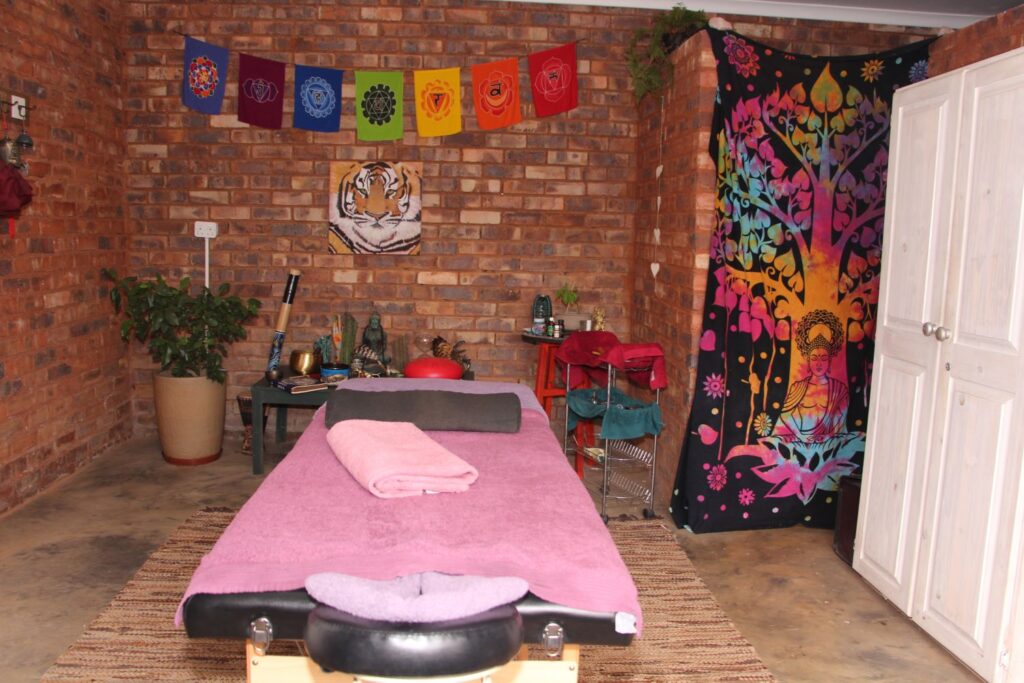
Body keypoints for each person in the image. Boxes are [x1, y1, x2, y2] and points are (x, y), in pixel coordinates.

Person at [775, 309, 849, 442]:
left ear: (830, 361)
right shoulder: (798, 387)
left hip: (828, 442)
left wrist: (826, 438)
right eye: (814, 358)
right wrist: (800, 436)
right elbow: (785, 415)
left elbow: (840, 419)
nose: (819, 363)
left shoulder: (839, 389)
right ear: (808, 361)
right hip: (800, 440)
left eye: (823, 358)